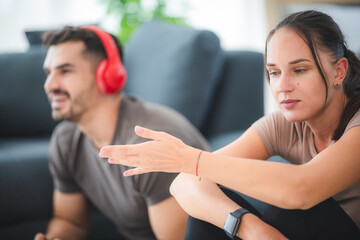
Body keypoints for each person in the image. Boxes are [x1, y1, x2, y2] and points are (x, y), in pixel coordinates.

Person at [99, 10, 360, 240]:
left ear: (339, 71)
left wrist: (190, 158)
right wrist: (249, 227)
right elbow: (183, 184)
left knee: (285, 208)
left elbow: (300, 190)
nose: (282, 87)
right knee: (211, 213)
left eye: (300, 70)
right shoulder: (283, 126)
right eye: (274, 72)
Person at [34, 25, 210, 240]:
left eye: (65, 71)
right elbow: (70, 221)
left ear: (107, 75)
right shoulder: (66, 141)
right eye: (48, 73)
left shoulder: (150, 143)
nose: (49, 85)